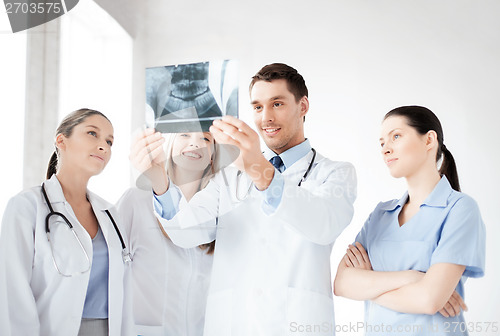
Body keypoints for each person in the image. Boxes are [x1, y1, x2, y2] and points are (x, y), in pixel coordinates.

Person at [135, 63, 357, 335]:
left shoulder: (336, 173)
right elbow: (187, 232)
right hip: (234, 323)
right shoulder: (230, 177)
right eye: (257, 107)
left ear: (303, 106)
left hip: (297, 324)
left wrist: (259, 169)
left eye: (277, 104)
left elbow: (323, 225)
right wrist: (159, 181)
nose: (266, 118)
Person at [334, 106, 485, 335]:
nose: (385, 149)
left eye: (396, 136)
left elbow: (428, 300)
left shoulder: (459, 209)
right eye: (382, 142)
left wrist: (368, 284)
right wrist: (413, 278)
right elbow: (342, 284)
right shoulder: (380, 215)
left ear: (429, 140)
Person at [0, 109, 133, 336]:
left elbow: (124, 292)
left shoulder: (109, 213)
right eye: (93, 133)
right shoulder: (27, 206)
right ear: (61, 140)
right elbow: (12, 293)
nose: (104, 146)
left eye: (110, 141)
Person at [117, 131, 223, 335]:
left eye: (205, 139)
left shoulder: (221, 211)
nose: (195, 144)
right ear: (171, 146)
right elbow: (109, 271)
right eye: (185, 135)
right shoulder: (136, 200)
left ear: (212, 155)